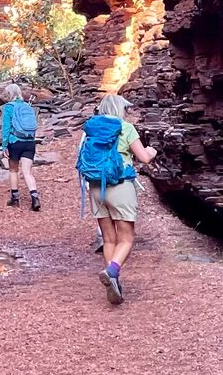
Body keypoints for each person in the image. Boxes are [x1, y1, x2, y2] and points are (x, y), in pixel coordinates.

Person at [77, 94, 155, 305]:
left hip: (95, 187)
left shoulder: (91, 128)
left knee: (109, 239)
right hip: (120, 186)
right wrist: (151, 150)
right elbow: (144, 158)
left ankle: (114, 282)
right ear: (120, 109)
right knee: (127, 238)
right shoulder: (125, 127)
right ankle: (112, 271)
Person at [0, 86, 42, 211]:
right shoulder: (27, 106)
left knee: (13, 170)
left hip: (15, 141)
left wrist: (4, 146)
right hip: (29, 142)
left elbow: (6, 128)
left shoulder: (8, 107)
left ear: (9, 94)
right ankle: (35, 197)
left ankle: (15, 198)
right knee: (27, 172)